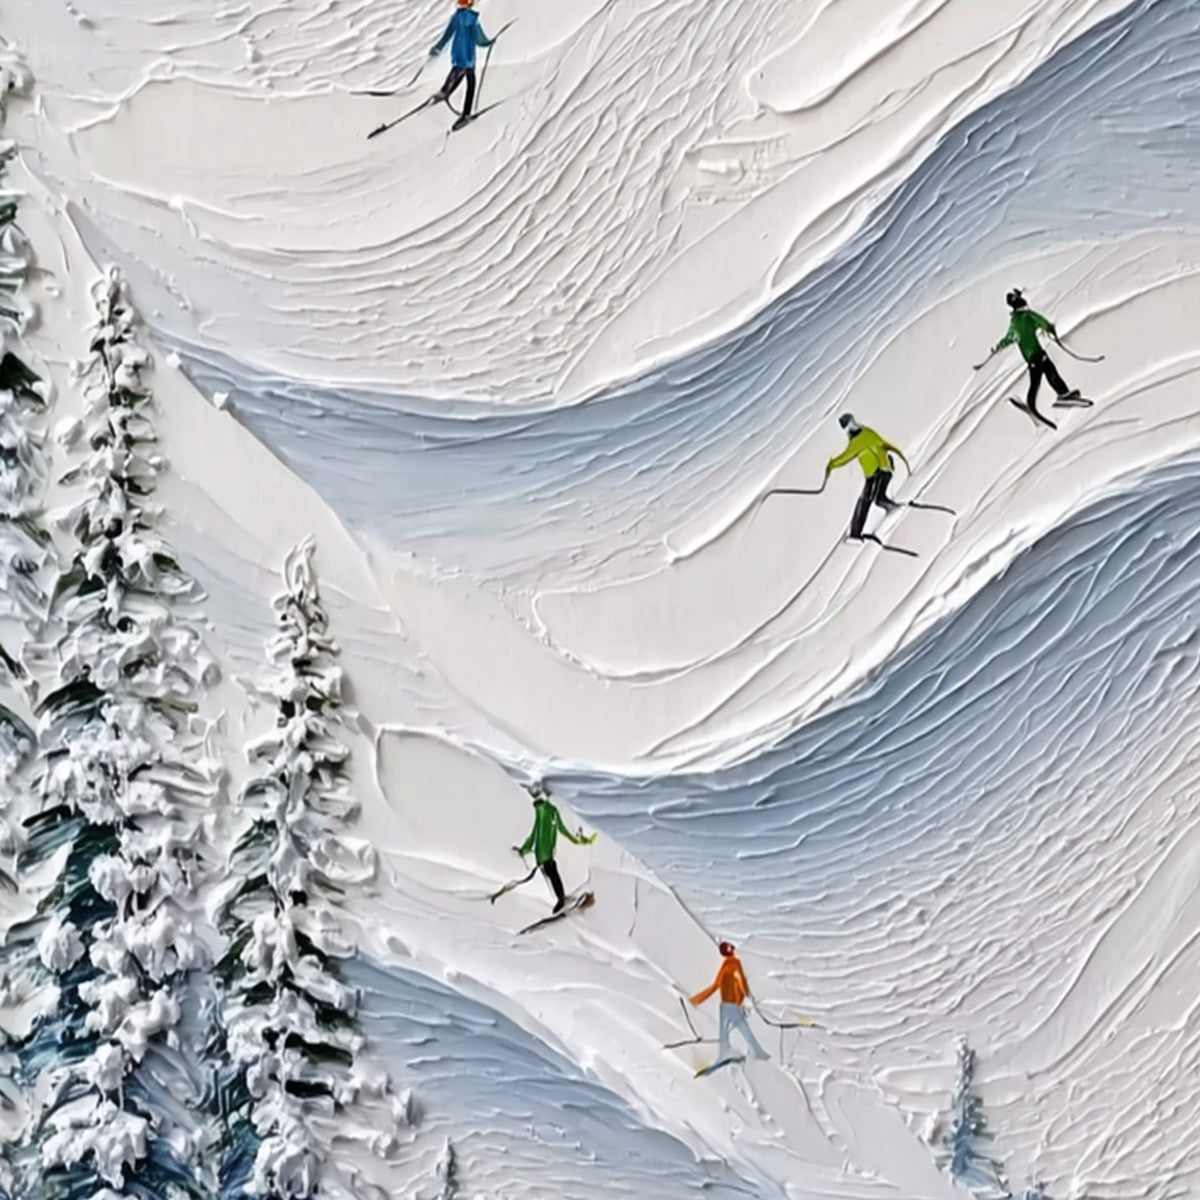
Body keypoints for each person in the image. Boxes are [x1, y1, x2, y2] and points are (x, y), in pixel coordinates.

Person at [990, 289, 1081, 419]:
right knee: (1047, 374)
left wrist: (999, 346)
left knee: (1039, 379)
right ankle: (1060, 395)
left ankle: (1048, 399)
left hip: (1032, 357)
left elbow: (1010, 337)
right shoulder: (1027, 316)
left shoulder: (1015, 321)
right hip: (1036, 354)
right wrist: (1049, 328)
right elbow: (1042, 321)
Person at [825, 413, 911, 541]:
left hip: (876, 474)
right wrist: (899, 458)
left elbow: (846, 457)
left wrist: (831, 464)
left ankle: (855, 534)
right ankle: (891, 508)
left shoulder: (857, 442)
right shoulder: (867, 432)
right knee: (878, 497)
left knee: (865, 500)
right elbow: (884, 444)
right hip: (885, 472)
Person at [514, 781, 596, 912]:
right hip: (544, 854)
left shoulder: (547, 811)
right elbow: (536, 834)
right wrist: (524, 849)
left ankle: (561, 899)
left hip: (544, 854)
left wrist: (525, 849)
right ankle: (562, 898)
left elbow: (541, 833)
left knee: (552, 874)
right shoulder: (543, 812)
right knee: (551, 875)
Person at [690, 942, 769, 1063]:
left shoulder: (727, 964)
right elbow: (740, 981)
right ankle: (756, 1052)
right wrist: (747, 994)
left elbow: (717, 985)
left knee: (729, 1031)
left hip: (726, 1005)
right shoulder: (734, 963)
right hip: (729, 1005)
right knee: (739, 1029)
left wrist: (696, 1000)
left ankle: (730, 1053)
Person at [429, 0, 495, 131]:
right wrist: (489, 43)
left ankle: (444, 90)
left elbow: (447, 35)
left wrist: (438, 48)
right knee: (471, 82)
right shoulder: (473, 19)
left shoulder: (456, 18)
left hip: (458, 52)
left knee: (456, 71)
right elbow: (479, 39)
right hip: (469, 55)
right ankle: (466, 113)